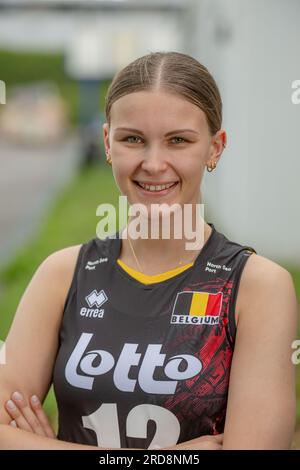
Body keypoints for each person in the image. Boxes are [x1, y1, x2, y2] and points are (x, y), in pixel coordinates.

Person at [0, 51, 297, 450]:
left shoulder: (257, 287)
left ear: (215, 148)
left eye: (178, 140)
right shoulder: (63, 273)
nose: (154, 163)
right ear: (108, 143)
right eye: (133, 139)